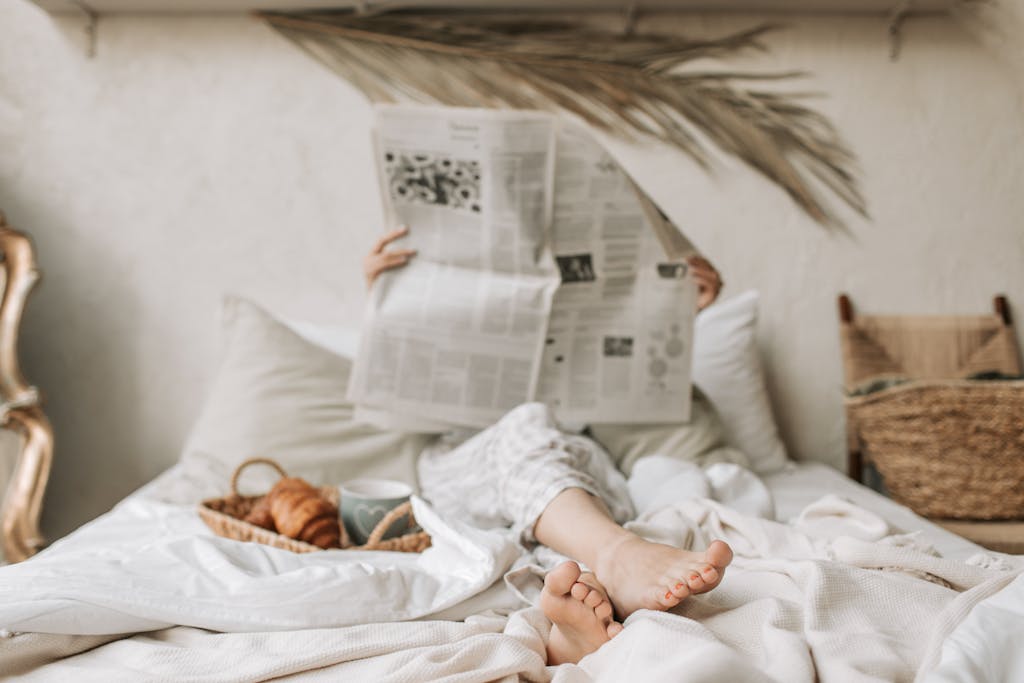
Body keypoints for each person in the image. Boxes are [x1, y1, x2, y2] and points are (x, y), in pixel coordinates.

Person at [364, 227, 732, 665]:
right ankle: (615, 555)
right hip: (462, 460)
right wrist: (382, 299)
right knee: (527, 422)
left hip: (575, 453)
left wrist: (680, 307)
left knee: (571, 506)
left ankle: (568, 622)